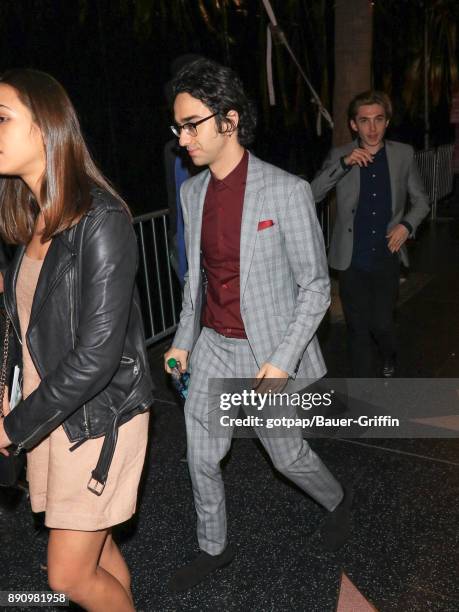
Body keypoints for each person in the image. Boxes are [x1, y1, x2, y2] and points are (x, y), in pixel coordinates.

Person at [164, 58, 351, 592]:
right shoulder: (191, 193)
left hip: (267, 351)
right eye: (177, 126)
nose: (183, 138)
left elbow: (316, 287)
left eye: (191, 123)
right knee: (200, 453)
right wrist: (182, 343)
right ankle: (213, 547)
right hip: (213, 347)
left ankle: (339, 500)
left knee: (287, 455)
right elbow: (195, 283)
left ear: (228, 119)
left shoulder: (286, 191)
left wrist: (281, 360)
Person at [0, 69, 154, 611]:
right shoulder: (36, 219)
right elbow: (27, 327)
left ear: (46, 127)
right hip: (52, 414)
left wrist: (11, 426)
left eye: (1, 117)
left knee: (66, 576)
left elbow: (97, 356)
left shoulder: (101, 218)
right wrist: (10, 394)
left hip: (96, 419)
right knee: (98, 544)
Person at [311, 91, 430, 378]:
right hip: (351, 259)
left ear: (387, 122)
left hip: (387, 255)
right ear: (354, 125)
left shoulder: (403, 154)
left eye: (378, 120)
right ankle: (363, 395)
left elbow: (422, 201)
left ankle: (390, 354)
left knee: (383, 324)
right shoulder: (341, 155)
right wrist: (343, 165)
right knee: (357, 329)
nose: (372, 128)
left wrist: (407, 225)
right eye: (364, 121)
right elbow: (312, 193)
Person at [164, 54, 205, 287]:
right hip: (184, 248)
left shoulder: (216, 147)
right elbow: (173, 199)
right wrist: (174, 239)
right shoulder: (172, 150)